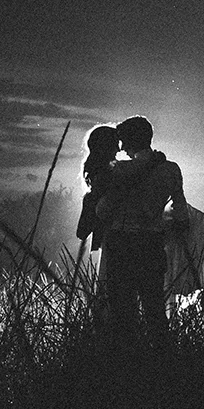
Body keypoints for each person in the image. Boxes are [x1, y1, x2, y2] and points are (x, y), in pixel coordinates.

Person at [96, 115, 190, 347]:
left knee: (122, 314)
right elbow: (181, 213)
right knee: (154, 309)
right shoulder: (171, 169)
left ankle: (128, 362)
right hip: (152, 246)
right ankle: (161, 357)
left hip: (121, 245)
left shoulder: (119, 170)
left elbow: (103, 210)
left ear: (129, 141)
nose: (122, 147)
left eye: (123, 141)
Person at [75, 125, 121, 250]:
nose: (118, 149)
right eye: (116, 144)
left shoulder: (98, 176)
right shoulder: (111, 175)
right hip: (115, 240)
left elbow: (82, 232)